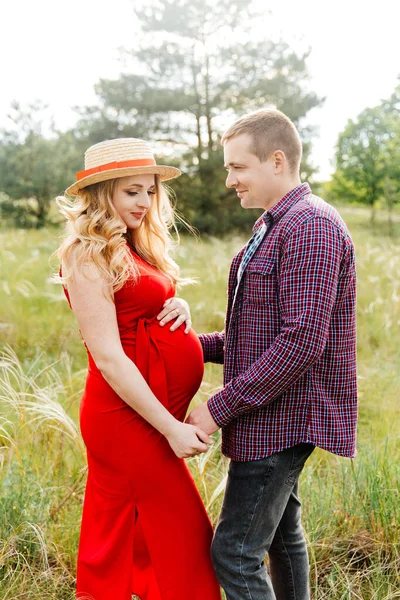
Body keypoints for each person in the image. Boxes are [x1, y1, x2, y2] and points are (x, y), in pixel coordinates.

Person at [187, 109, 358, 600]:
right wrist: (183, 345)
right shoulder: (275, 224)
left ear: (277, 160)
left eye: (238, 167)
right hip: (272, 412)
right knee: (282, 538)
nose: (229, 180)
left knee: (234, 554)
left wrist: (216, 409)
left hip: (283, 417)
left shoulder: (310, 226)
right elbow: (256, 337)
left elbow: (301, 341)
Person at [54, 138, 221, 600]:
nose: (145, 203)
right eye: (132, 192)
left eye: (149, 191)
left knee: (139, 536)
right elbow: (108, 355)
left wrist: (178, 302)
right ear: (103, 192)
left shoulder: (132, 244)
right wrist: (169, 427)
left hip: (146, 415)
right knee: (183, 537)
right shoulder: (86, 253)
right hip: (125, 419)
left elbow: (142, 304)